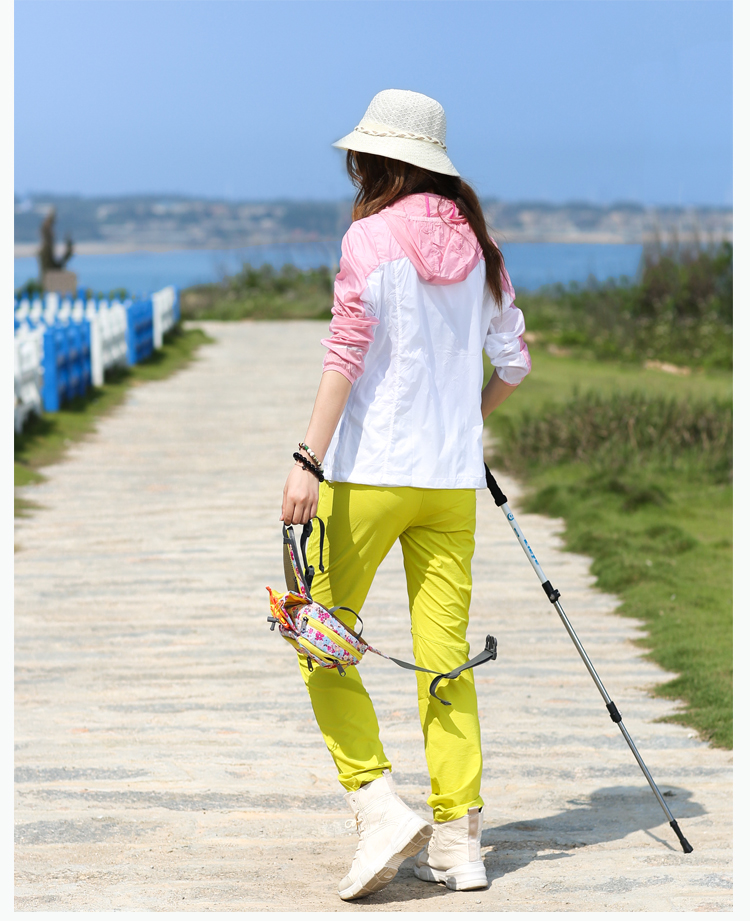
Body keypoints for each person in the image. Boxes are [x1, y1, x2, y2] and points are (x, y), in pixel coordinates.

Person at [279, 89, 531, 901]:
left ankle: (377, 803)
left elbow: (345, 352)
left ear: (380, 160)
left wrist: (307, 459)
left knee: (319, 637)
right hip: (449, 487)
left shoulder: (370, 238)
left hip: (369, 477)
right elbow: (515, 363)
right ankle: (460, 843)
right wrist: (464, 422)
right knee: (444, 661)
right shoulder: (483, 248)